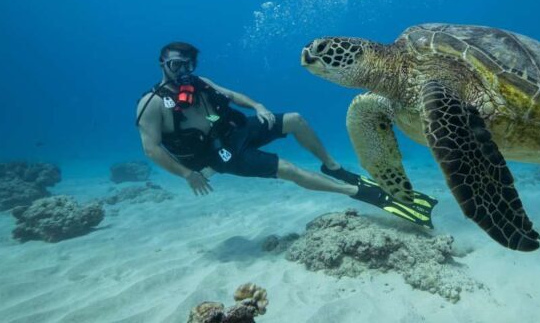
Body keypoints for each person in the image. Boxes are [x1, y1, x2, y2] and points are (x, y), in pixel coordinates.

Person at [135, 42, 436, 227]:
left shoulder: (199, 82)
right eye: (177, 64)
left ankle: (332, 166)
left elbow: (231, 95)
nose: (184, 71)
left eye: (189, 64)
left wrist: (258, 105)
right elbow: (152, 149)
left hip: (234, 132)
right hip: (220, 154)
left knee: (295, 119)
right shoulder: (151, 105)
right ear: (162, 64)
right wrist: (188, 174)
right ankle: (358, 193)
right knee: (289, 169)